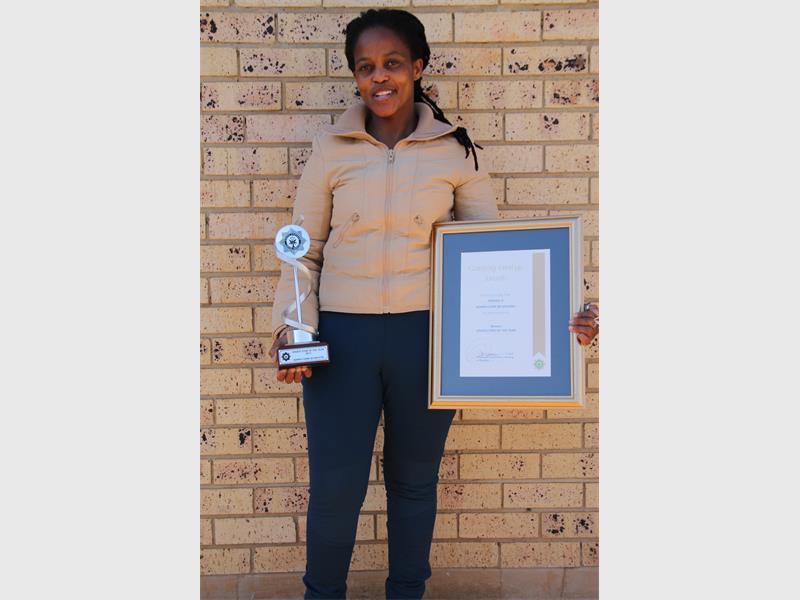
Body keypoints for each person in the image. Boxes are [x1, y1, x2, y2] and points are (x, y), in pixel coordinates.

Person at [268, 9, 599, 599]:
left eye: (393, 63)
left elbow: (495, 257)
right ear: (355, 76)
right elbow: (304, 250)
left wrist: (562, 317)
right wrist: (293, 328)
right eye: (366, 67)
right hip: (342, 340)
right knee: (336, 487)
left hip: (429, 342)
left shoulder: (454, 151)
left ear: (418, 67)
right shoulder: (330, 151)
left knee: (414, 483)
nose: (380, 77)